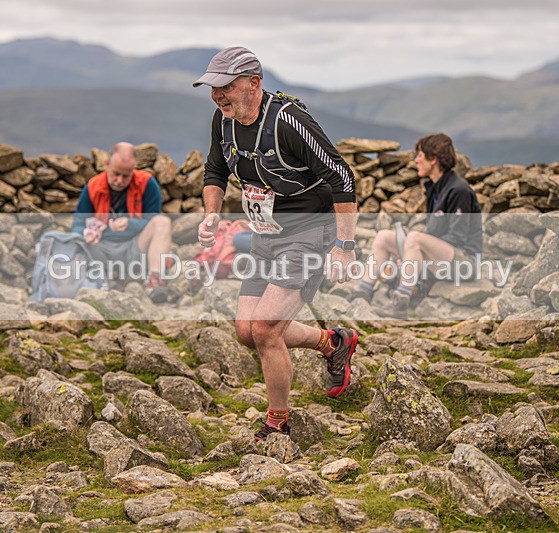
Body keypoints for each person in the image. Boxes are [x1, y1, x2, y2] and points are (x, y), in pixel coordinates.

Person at [194, 46, 360, 441]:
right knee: (246, 331)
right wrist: (211, 214)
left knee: (267, 329)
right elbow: (215, 170)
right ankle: (332, 343)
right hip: (266, 232)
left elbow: (342, 176)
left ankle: (277, 423)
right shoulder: (224, 121)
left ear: (254, 83)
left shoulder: (287, 121)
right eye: (213, 87)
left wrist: (344, 245)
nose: (218, 95)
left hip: (309, 231)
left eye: (226, 86)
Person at [352, 133, 483, 318]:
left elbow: (457, 238)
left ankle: (400, 303)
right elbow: (434, 236)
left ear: (433, 159)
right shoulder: (434, 189)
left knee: (414, 238)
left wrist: (413, 255)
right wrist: (411, 256)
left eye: (420, 156)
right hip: (441, 256)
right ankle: (362, 292)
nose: (415, 161)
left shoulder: (458, 190)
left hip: (465, 262)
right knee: (383, 237)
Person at [71, 142, 174, 303]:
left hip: (134, 249)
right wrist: (86, 233)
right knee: (73, 241)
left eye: (126, 176)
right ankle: (87, 281)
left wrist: (130, 224)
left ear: (133, 169)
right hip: (100, 249)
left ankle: (155, 281)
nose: (119, 180)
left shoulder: (147, 184)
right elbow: (77, 224)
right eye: (116, 174)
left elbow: (152, 220)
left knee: (163, 223)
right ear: (107, 165)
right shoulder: (92, 187)